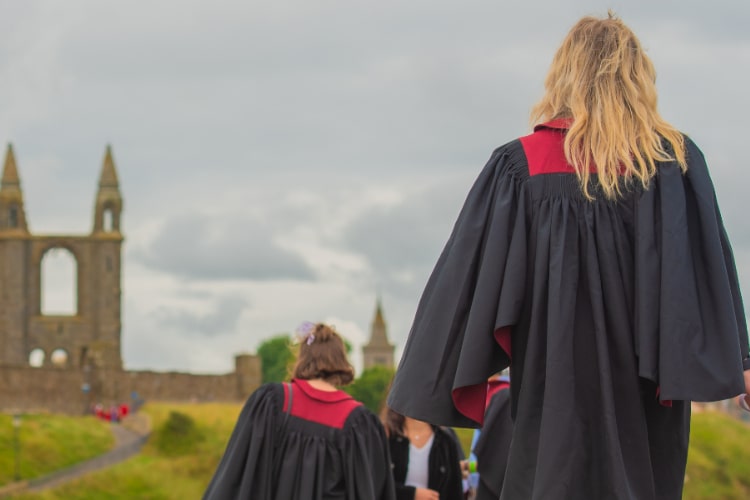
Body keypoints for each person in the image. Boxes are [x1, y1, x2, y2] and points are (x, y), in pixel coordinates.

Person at [387, 12, 750, 500]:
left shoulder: (520, 167)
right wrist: (740, 360)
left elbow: (470, 283)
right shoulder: (672, 162)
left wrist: (430, 373)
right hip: (646, 396)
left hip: (551, 387)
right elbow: (706, 274)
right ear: (637, 77)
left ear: (564, 76)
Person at [203, 322, 396, 500]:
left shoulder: (271, 402)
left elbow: (236, 474)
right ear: (341, 362)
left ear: (302, 358)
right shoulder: (359, 423)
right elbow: (373, 490)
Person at [381, 405, 464, 500]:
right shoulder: (386, 437)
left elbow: (455, 490)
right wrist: (411, 494)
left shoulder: (445, 442)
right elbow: (375, 483)